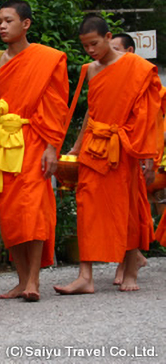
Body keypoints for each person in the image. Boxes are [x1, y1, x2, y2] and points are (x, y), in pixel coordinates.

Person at [0, 0, 68, 301]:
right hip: (5, 143)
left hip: (35, 139)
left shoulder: (47, 58)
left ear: (25, 24)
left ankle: (34, 280)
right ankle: (21, 279)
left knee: (34, 210)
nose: (1, 26)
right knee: (10, 211)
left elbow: (56, 107)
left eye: (8, 20)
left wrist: (53, 148)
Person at [54, 15, 160, 295]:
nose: (90, 50)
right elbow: (92, 112)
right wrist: (75, 148)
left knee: (125, 210)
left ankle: (130, 269)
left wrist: (148, 156)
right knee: (86, 208)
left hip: (122, 148)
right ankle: (85, 276)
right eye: (85, 46)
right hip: (93, 147)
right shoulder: (91, 70)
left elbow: (148, 115)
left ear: (108, 36)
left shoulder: (136, 67)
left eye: (94, 44)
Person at [107, 32, 150, 284]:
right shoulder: (102, 74)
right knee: (115, 209)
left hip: (133, 151)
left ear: (131, 52)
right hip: (109, 151)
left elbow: (150, 122)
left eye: (117, 49)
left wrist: (149, 156)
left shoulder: (142, 79)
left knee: (130, 209)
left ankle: (127, 264)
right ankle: (129, 260)